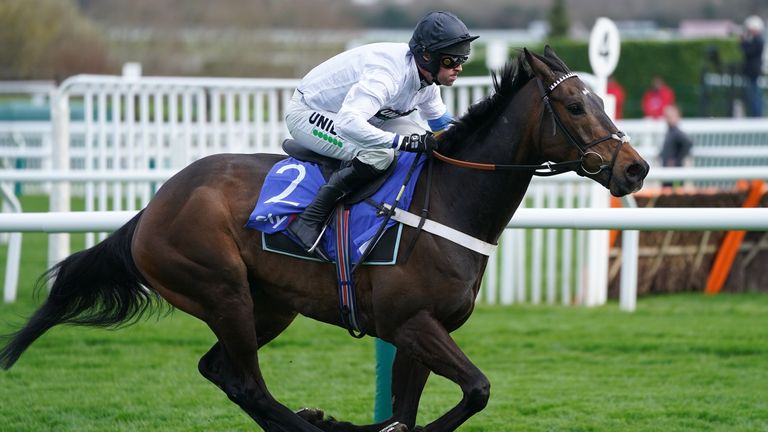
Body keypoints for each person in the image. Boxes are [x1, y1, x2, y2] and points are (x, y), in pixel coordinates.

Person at [284, 11, 478, 252]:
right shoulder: (386, 75)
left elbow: (442, 128)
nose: (458, 68)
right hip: (309, 113)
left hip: (361, 116)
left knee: (425, 141)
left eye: (463, 60)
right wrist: (401, 143)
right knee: (381, 155)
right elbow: (348, 123)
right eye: (451, 61)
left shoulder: (427, 81)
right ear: (427, 56)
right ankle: (311, 217)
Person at [659, 105, 693, 188]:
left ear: (677, 117)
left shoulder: (676, 133)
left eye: (670, 117)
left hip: (675, 172)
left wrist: (676, 160)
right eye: (667, 117)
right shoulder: (670, 132)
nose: (668, 119)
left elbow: (688, 143)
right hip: (668, 171)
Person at [740, 15, 765, 117]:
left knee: (754, 95)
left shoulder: (758, 40)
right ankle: (755, 114)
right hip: (752, 71)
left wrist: (743, 42)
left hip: (753, 72)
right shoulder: (756, 40)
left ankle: (757, 115)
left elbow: (748, 51)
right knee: (753, 94)